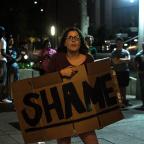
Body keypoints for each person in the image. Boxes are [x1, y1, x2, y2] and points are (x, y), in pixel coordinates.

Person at [47, 27, 99, 144]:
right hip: (62, 111)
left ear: (81, 42)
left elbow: (95, 83)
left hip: (84, 110)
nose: (73, 40)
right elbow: (46, 82)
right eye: (70, 38)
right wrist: (60, 73)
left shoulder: (89, 59)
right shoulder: (57, 58)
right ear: (64, 42)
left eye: (76, 38)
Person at [111, 37, 131, 107]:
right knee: (118, 88)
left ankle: (124, 100)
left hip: (125, 71)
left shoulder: (126, 51)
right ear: (116, 43)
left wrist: (119, 59)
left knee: (124, 87)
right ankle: (119, 103)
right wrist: (123, 60)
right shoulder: (114, 52)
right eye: (118, 43)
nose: (119, 44)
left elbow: (128, 60)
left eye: (120, 42)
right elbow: (115, 62)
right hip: (117, 72)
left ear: (122, 43)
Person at [0, 26, 12, 103]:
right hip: (2, 62)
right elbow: (3, 53)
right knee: (3, 80)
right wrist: (10, 57)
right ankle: (2, 98)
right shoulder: (2, 41)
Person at [134, 42, 144, 110]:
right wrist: (138, 70)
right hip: (142, 74)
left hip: (142, 73)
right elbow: (135, 63)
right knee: (143, 88)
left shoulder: (139, 54)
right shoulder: (139, 54)